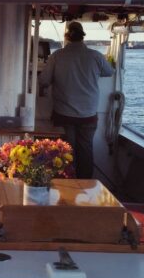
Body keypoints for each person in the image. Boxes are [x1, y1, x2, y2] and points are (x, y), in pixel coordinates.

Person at [38, 20, 114, 179]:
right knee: (85, 150)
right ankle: (85, 186)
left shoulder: (57, 56)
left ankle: (67, 185)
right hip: (88, 114)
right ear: (82, 37)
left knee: (65, 151)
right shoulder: (95, 56)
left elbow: (44, 80)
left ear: (67, 36)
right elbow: (109, 72)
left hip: (64, 113)